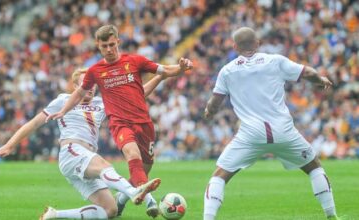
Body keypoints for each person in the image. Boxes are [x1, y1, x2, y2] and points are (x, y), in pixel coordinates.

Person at [46, 24, 193, 217]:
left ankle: (123, 198)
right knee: (132, 153)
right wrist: (64, 110)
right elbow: (79, 92)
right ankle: (144, 196)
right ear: (98, 45)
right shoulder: (95, 71)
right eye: (104, 46)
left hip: (143, 122)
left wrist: (181, 68)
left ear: (118, 42)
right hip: (120, 123)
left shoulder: (135, 61)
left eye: (112, 45)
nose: (109, 49)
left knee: (145, 166)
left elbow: (163, 69)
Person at [0, 67, 168, 219]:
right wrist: (10, 144)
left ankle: (54, 214)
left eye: (93, 84)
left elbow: (137, 95)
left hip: (85, 159)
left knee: (110, 210)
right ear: (76, 86)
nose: (90, 88)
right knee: (104, 165)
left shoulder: (102, 102)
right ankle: (133, 192)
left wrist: (160, 76)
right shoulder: (62, 100)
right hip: (72, 151)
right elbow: (34, 122)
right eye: (86, 84)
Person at [203, 27, 339, 220]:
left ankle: (208, 218)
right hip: (284, 131)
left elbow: (215, 101)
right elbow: (307, 72)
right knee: (314, 167)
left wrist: (209, 111)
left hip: (250, 134)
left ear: (234, 46)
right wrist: (320, 80)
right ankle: (331, 215)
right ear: (258, 43)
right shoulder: (275, 60)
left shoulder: (227, 71)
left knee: (219, 176)